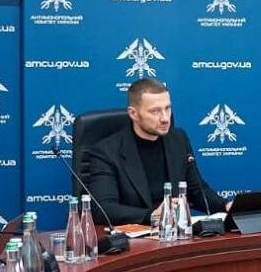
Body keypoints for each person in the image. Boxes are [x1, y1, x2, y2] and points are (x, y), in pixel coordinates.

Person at [83, 78, 228, 225]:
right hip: (138, 234)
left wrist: (226, 206)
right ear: (133, 114)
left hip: (175, 233)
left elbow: (197, 191)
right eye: (155, 111)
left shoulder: (178, 139)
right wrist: (151, 215)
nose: (165, 118)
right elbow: (103, 209)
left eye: (167, 108)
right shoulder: (106, 151)